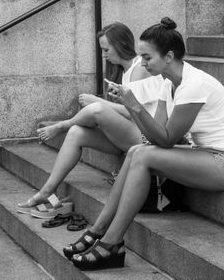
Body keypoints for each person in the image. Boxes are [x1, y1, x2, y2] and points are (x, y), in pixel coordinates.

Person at [64, 16, 224, 271]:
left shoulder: (193, 85)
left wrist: (133, 105)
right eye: (141, 57)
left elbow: (165, 140)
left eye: (147, 57)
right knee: (136, 151)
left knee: (142, 156)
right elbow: (155, 136)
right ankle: (99, 229)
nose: (142, 63)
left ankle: (111, 242)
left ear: (168, 57)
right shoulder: (170, 84)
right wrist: (133, 109)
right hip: (209, 155)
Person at [17, 22, 164, 212]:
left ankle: (62, 125)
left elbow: (132, 111)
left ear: (120, 45)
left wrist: (98, 101)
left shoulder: (140, 69)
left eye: (106, 49)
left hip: (146, 137)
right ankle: (47, 191)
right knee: (77, 132)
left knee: (96, 109)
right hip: (129, 136)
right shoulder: (123, 72)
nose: (103, 55)